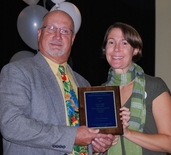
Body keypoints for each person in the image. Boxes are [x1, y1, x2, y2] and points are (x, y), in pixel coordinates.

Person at [0, 10, 127, 155]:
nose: (57, 36)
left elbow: (85, 136)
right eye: (51, 29)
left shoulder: (83, 83)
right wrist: (72, 136)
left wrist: (97, 147)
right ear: (39, 34)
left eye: (65, 31)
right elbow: (11, 124)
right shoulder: (18, 71)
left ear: (72, 39)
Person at [101, 22, 171, 155]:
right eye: (111, 42)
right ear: (105, 49)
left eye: (124, 43)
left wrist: (127, 133)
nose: (116, 49)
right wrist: (105, 142)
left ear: (135, 50)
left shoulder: (154, 86)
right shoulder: (100, 92)